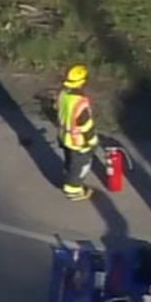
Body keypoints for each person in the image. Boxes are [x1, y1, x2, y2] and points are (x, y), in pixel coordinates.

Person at [57, 64, 99, 201]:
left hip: (64, 135)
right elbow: (85, 125)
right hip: (78, 141)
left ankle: (68, 176)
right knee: (80, 165)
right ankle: (73, 190)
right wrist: (91, 140)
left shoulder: (63, 94)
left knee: (70, 160)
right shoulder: (80, 102)